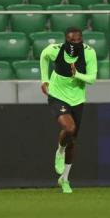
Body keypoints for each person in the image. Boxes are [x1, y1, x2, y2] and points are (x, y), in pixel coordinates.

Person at [39, 27, 97, 194]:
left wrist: (77, 74)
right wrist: (44, 79)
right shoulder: (55, 50)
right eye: (72, 41)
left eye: (79, 40)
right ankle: (60, 150)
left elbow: (92, 78)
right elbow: (43, 56)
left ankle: (64, 179)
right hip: (57, 95)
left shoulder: (89, 53)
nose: (76, 43)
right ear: (66, 40)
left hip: (78, 99)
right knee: (69, 128)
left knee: (72, 140)